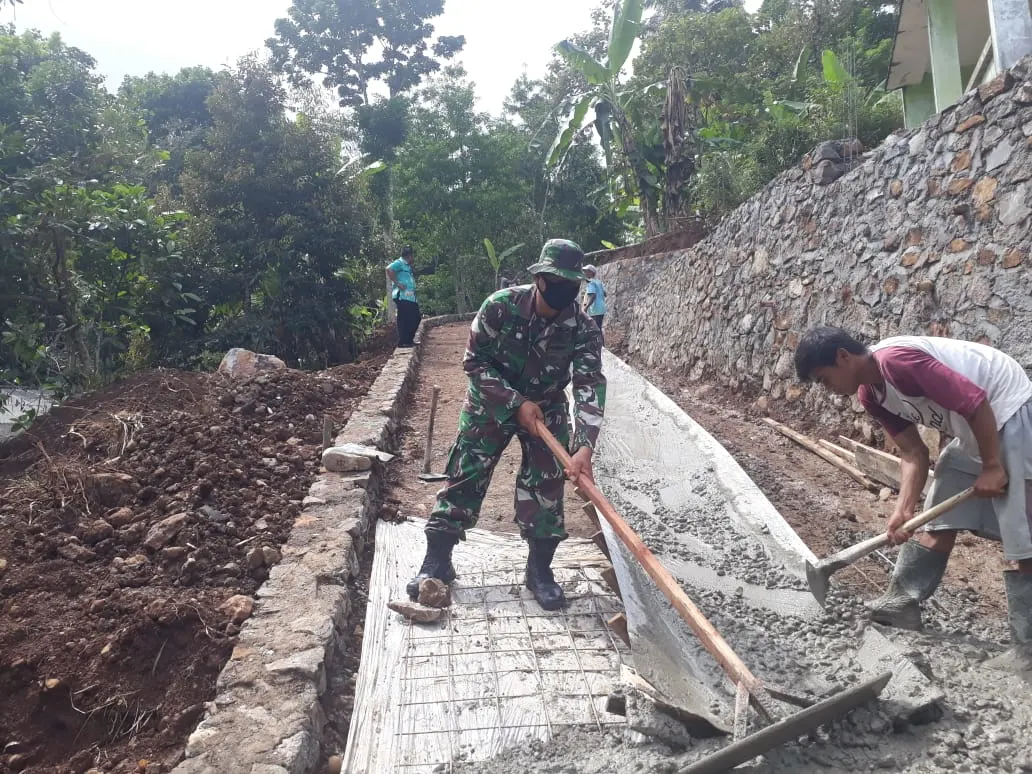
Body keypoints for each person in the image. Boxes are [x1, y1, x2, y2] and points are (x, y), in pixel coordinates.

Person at [794, 327, 1032, 675]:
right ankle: (902, 602)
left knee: (1022, 535)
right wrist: (903, 510)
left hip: (1011, 411)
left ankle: (1027, 648)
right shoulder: (870, 395)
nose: (826, 388)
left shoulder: (897, 362)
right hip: (976, 427)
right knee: (944, 489)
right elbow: (912, 452)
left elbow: (975, 401)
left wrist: (993, 466)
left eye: (824, 378)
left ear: (843, 357)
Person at [406, 239, 606, 611]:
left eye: (571, 283)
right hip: (491, 402)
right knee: (466, 474)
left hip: (547, 406)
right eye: (556, 281)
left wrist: (584, 445)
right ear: (540, 278)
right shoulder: (500, 307)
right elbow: (474, 362)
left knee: (546, 485)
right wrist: (515, 402)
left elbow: (589, 384)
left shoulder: (582, 327)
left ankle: (539, 571)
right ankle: (436, 562)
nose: (564, 290)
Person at [386, 246, 422, 348]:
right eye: (413, 256)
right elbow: (389, 269)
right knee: (404, 319)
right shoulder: (399, 263)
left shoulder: (408, 266)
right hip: (402, 296)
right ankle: (403, 342)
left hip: (410, 297)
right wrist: (397, 283)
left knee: (416, 317)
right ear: (409, 256)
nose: (413, 258)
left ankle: (409, 340)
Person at [582, 264, 607, 340]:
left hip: (595, 309)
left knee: (595, 329)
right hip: (601, 308)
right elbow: (605, 293)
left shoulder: (591, 283)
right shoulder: (599, 282)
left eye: (586, 271)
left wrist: (586, 307)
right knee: (598, 327)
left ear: (591, 272)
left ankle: (599, 344)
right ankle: (602, 344)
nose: (584, 273)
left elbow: (593, 296)